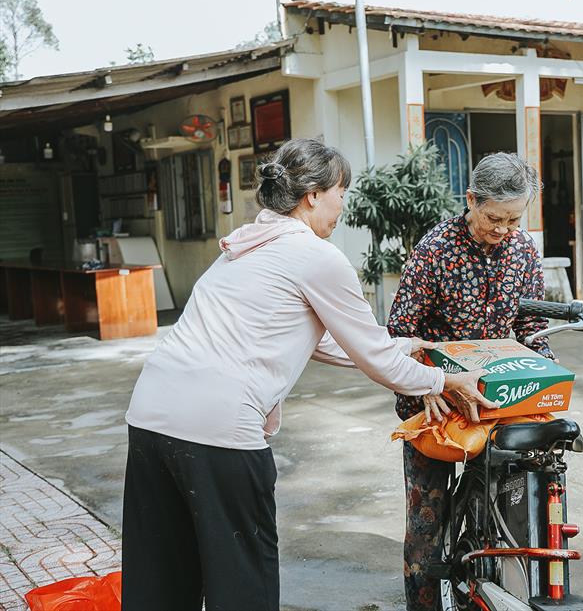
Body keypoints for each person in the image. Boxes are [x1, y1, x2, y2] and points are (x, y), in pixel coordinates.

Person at [121, 138, 495, 611]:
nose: (343, 204)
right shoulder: (317, 257)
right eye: (342, 191)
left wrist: (402, 346)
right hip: (219, 429)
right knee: (241, 579)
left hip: (151, 416)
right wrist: (442, 381)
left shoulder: (245, 244)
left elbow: (327, 340)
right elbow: (372, 358)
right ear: (314, 195)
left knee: (161, 578)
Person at [387, 152, 554, 610]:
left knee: (519, 503)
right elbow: (399, 332)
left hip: (498, 400)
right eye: (494, 218)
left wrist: (547, 380)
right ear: (471, 200)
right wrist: (424, 383)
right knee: (428, 518)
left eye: (513, 219)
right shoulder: (435, 249)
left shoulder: (522, 251)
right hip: (436, 403)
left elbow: (531, 333)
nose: (503, 230)